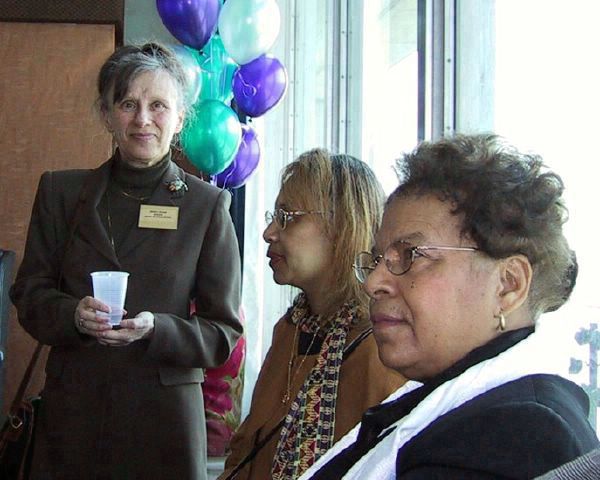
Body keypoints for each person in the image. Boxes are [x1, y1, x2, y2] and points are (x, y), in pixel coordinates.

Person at [299, 134, 599, 479]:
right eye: (379, 258)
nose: (373, 283)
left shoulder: (518, 437)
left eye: (412, 255)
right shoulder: (456, 401)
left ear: (508, 285)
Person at [9, 43, 242, 480]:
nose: (143, 119)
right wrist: (72, 314)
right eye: (128, 104)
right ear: (107, 113)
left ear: (179, 118)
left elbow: (222, 333)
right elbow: (29, 293)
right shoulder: (61, 194)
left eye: (158, 105)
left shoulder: (206, 207)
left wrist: (159, 327)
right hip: (73, 419)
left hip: (164, 427)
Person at [219, 150, 405, 480]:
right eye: (273, 216)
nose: (270, 232)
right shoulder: (290, 329)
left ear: (342, 226)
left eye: (288, 217)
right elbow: (247, 449)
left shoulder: (381, 348)